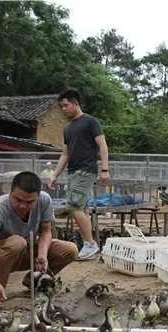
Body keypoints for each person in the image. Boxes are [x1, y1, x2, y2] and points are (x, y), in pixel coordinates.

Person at [0, 172, 78, 304]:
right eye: (18, 200)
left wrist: (42, 255)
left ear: (37, 197)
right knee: (17, 242)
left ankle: (34, 280)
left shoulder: (44, 200)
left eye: (30, 202)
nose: (23, 206)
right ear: (10, 192)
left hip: (27, 249)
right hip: (2, 256)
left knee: (70, 249)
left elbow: (46, 231)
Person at [48, 88, 110, 260]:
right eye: (61, 106)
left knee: (73, 206)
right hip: (73, 171)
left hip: (86, 170)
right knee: (81, 209)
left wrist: (104, 169)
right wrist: (54, 174)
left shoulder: (90, 122)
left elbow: (103, 146)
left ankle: (90, 244)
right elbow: (65, 154)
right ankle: (89, 245)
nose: (63, 109)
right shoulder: (67, 129)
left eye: (66, 105)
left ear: (75, 103)